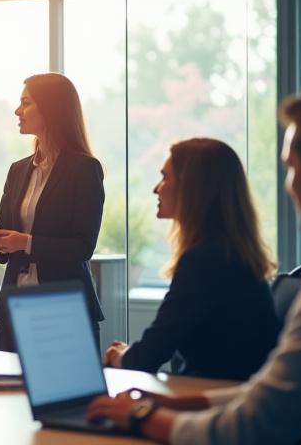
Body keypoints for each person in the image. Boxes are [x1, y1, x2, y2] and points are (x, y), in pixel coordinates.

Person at [86, 75, 301, 443]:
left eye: (290, 168)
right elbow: (273, 391)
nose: (289, 185)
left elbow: (251, 427)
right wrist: (185, 404)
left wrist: (140, 417)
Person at [102, 138, 279, 380]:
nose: (157, 188)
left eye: (166, 178)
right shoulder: (229, 253)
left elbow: (149, 356)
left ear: (192, 189)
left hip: (219, 401)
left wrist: (118, 355)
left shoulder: (204, 260)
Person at [0, 73, 105, 352]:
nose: (17, 110)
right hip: (16, 301)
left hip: (63, 305)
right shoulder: (18, 169)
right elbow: (6, 243)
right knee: (8, 390)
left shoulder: (84, 169)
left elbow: (83, 247)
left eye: (26, 102)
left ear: (52, 108)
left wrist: (25, 242)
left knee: (65, 392)